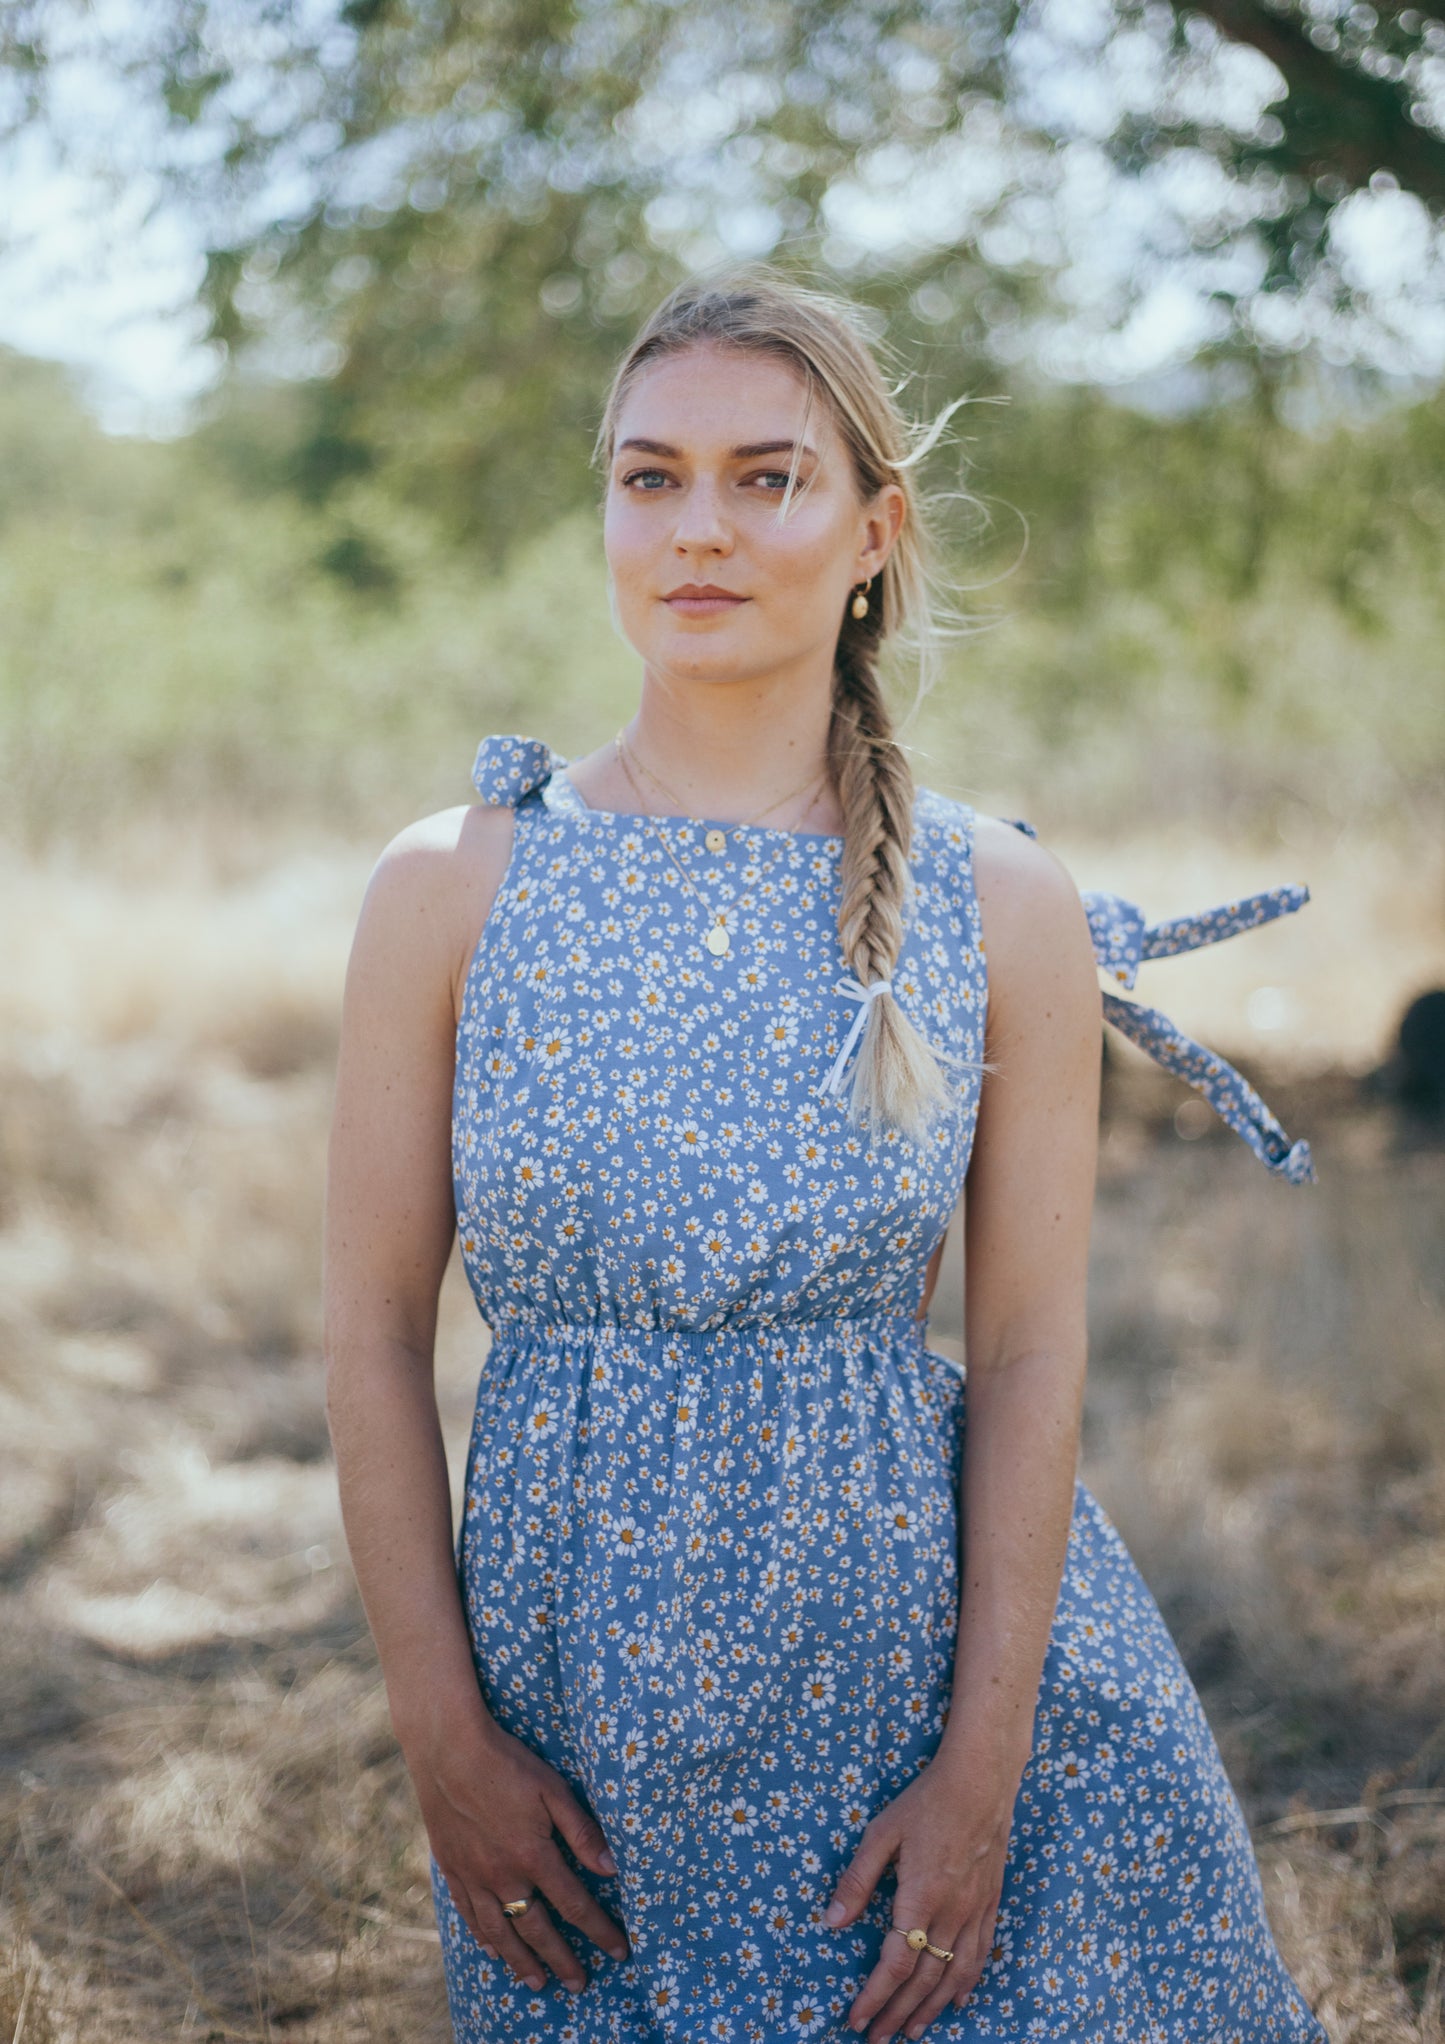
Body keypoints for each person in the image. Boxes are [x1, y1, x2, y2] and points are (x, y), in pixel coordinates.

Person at [322, 270, 1324, 2044]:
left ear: (874, 529)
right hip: (577, 1723)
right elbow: (369, 1332)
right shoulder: (456, 881)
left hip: (929, 1711)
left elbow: (1024, 1348)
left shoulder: (992, 895)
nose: (697, 528)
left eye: (764, 478)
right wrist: (443, 1738)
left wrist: (982, 1781)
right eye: (649, 478)